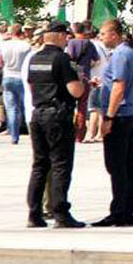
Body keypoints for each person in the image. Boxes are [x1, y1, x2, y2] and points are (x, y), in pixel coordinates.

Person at [25, 21, 86, 228]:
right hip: (57, 116)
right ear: (60, 36)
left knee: (40, 165)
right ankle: (61, 213)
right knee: (61, 165)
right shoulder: (62, 59)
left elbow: (32, 85)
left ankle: (34, 213)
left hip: (38, 114)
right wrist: (82, 81)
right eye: (66, 36)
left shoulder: (35, 59)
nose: (67, 39)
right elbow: (75, 91)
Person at [94, 18, 133, 227]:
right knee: (127, 164)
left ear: (114, 34)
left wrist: (109, 117)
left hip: (120, 116)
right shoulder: (127, 53)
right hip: (127, 114)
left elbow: (119, 87)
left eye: (103, 34)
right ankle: (126, 211)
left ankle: (120, 211)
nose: (101, 38)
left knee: (117, 165)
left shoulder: (121, 54)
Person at [0, 25, 32, 144]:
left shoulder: (4, 45)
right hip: (22, 76)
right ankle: (32, 133)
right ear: (21, 33)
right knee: (26, 106)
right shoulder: (26, 45)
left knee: (11, 108)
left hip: (8, 76)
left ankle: (14, 136)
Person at [66, 21, 100, 142]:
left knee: (69, 105)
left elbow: (69, 57)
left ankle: (69, 132)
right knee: (82, 106)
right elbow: (96, 60)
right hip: (85, 76)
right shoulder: (90, 44)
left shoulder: (71, 43)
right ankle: (79, 135)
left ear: (74, 30)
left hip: (72, 77)